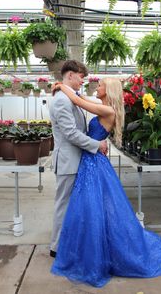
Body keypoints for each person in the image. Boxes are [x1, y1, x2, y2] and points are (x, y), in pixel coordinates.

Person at [51, 77, 161, 288]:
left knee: (93, 207)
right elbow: (81, 98)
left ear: (108, 90)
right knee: (90, 207)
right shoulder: (104, 107)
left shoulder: (108, 111)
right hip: (91, 159)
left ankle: (95, 251)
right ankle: (92, 246)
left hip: (93, 162)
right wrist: (67, 88)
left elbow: (80, 101)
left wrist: (61, 86)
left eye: (100, 85)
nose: (97, 87)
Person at [49, 60, 108, 258]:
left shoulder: (69, 97)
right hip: (68, 161)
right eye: (81, 77)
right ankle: (56, 247)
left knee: (71, 204)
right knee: (63, 204)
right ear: (71, 75)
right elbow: (71, 134)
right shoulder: (61, 100)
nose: (83, 81)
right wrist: (96, 144)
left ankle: (67, 243)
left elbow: (86, 105)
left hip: (75, 159)